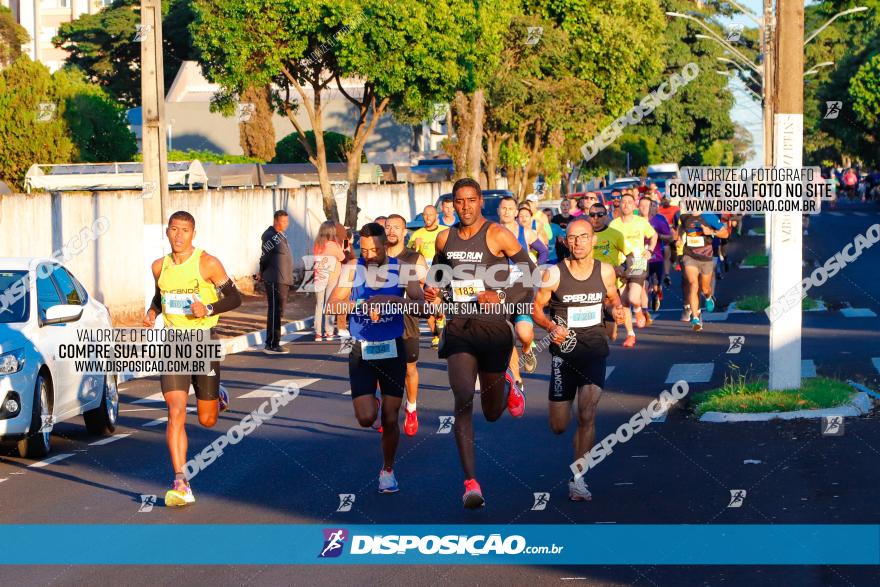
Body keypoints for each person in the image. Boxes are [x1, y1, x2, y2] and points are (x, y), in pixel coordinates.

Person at [425, 178, 533, 509]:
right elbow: (437, 279)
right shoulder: (445, 237)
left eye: (471, 200)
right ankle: (471, 483)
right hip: (459, 327)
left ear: (480, 201)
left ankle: (510, 381)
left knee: (491, 412)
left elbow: (530, 274)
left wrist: (498, 294)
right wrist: (433, 294)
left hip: (493, 329)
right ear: (453, 204)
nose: (465, 206)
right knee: (461, 399)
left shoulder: (498, 234)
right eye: (459, 201)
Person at [143, 211, 242, 507]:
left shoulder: (207, 263)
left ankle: (218, 395)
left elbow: (235, 298)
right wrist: (153, 312)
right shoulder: (159, 267)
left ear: (193, 234)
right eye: (174, 229)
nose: (178, 235)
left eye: (184, 230)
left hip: (203, 342)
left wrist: (209, 308)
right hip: (174, 343)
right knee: (175, 411)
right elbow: (161, 297)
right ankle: (180, 481)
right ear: (167, 231)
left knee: (207, 419)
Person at [326, 222, 426, 493]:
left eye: (375, 249)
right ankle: (374, 401)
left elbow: (420, 304)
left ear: (386, 246)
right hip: (362, 348)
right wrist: (361, 305)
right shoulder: (352, 270)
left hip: (393, 348)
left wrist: (391, 301)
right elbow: (333, 303)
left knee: (391, 418)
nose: (369, 255)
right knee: (366, 417)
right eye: (364, 249)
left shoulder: (402, 269)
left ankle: (388, 470)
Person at [532, 218, 625, 501]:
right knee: (559, 425)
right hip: (563, 355)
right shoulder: (554, 275)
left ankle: (578, 478)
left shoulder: (606, 272)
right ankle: (576, 446)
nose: (578, 243)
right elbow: (536, 309)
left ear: (593, 240)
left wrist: (617, 311)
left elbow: (611, 299)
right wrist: (550, 328)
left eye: (584, 237)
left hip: (594, 348)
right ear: (565, 242)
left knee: (587, 414)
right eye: (572, 238)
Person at [384, 214, 427, 436]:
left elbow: (426, 289)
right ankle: (388, 411)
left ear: (404, 233)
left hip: (406, 322)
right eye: (388, 227)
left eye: (396, 228)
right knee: (381, 367)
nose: (391, 231)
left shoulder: (414, 258)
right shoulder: (376, 257)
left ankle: (411, 408)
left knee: (409, 368)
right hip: (380, 322)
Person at [498, 198, 545, 380]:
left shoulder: (525, 233)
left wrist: (536, 266)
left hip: (522, 291)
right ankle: (517, 380)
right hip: (500, 292)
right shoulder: (491, 232)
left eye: (511, 208)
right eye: (504, 208)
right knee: (507, 337)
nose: (507, 212)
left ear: (517, 212)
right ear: (498, 210)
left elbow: (543, 251)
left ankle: (527, 348)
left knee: (523, 334)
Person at [588, 202, 635, 348]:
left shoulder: (615, 235)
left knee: (612, 334)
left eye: (600, 215)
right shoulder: (585, 234)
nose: (596, 218)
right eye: (592, 215)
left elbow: (631, 255)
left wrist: (624, 270)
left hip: (610, 287)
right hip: (588, 285)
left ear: (606, 216)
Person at [609, 193, 657, 332]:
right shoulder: (614, 224)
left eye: (629, 202)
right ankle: (631, 334)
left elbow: (653, 235)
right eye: (623, 202)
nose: (626, 205)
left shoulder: (640, 221)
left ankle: (638, 309)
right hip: (621, 264)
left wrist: (650, 251)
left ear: (634, 205)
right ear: (619, 205)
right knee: (624, 302)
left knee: (633, 297)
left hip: (637, 261)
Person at [678, 212, 728, 331]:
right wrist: (679, 238)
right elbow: (681, 227)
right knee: (693, 284)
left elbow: (725, 234)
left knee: (705, 288)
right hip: (689, 256)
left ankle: (708, 297)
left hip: (706, 257)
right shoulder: (685, 217)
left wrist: (711, 232)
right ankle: (695, 318)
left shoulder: (709, 217)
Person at [410, 205, 449, 348]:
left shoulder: (445, 231)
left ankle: (440, 330)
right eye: (425, 215)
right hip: (424, 273)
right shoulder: (417, 234)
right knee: (428, 305)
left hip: (440, 270)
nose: (427, 218)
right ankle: (436, 334)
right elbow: (410, 256)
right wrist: (415, 246)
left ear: (436, 216)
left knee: (437, 303)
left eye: (430, 215)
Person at [256, 210, 294, 353]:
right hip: (274, 279)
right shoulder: (270, 236)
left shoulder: (279, 236)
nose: (285, 224)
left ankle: (274, 342)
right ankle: (271, 344)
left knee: (279, 310)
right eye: (282, 221)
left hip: (282, 279)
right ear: (275, 221)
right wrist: (261, 271)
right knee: (275, 311)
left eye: (287, 221)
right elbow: (264, 257)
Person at [311, 220, 346, 341]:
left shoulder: (317, 245)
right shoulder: (334, 245)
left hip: (319, 276)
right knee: (329, 304)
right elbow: (342, 257)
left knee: (319, 305)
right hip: (332, 276)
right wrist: (344, 242)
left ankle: (318, 334)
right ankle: (329, 332)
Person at [639, 197, 672, 312]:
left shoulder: (659, 220)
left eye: (647, 205)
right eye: (641, 205)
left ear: (652, 207)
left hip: (657, 257)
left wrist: (658, 236)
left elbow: (670, 237)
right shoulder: (635, 221)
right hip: (640, 259)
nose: (644, 208)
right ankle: (644, 310)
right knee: (643, 284)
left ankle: (656, 294)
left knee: (656, 285)